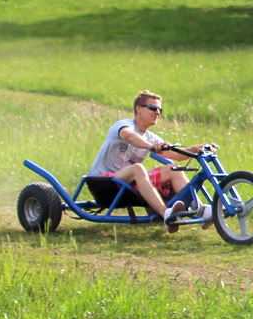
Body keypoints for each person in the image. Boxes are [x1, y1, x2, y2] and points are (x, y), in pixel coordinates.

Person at [89, 90, 215, 233]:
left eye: (160, 110)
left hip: (129, 184)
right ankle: (166, 214)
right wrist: (149, 147)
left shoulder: (151, 137)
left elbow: (176, 155)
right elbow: (130, 137)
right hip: (103, 182)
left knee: (173, 168)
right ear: (138, 109)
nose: (157, 112)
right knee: (138, 168)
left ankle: (200, 210)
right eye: (153, 108)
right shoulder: (124, 125)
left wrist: (194, 149)